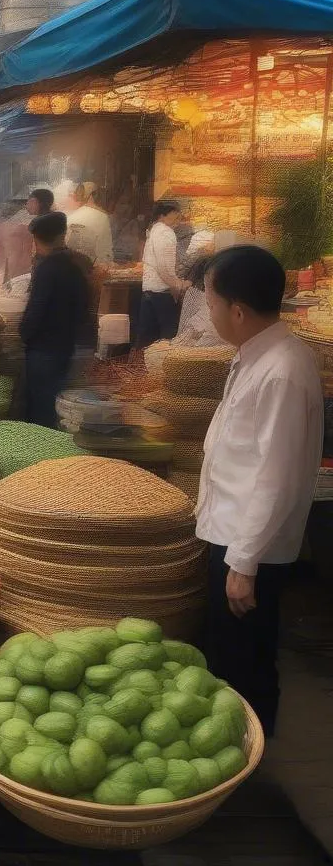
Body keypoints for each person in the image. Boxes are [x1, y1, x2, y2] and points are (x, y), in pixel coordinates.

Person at [197, 245, 323, 736]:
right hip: (232, 535)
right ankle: (236, 746)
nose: (208, 314)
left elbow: (277, 474)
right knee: (228, 655)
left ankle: (250, 753)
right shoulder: (259, 354)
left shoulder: (284, 370)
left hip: (249, 546)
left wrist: (243, 563)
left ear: (238, 311)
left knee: (244, 661)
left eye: (210, 302)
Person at [18, 211, 91, 428]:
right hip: (65, 347)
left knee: (39, 407)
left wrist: (24, 334)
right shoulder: (76, 266)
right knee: (56, 405)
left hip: (42, 350)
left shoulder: (46, 269)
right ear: (63, 235)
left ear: (37, 239)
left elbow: (35, 311)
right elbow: (83, 310)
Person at [137, 200, 187, 348]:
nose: (178, 218)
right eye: (175, 214)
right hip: (162, 292)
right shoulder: (166, 233)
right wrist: (177, 287)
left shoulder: (154, 230)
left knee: (147, 339)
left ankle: (143, 368)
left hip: (148, 291)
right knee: (168, 340)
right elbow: (164, 268)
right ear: (163, 215)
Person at [66, 181, 113, 266]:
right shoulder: (102, 217)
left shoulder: (70, 217)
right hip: (92, 270)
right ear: (92, 195)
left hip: (70, 267)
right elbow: (105, 253)